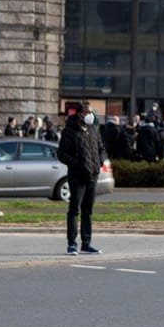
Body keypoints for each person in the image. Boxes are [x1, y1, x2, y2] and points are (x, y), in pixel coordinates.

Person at [56, 103, 104, 255]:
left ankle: (86, 242)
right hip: (77, 176)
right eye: (88, 112)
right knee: (74, 209)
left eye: (92, 112)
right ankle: (72, 243)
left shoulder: (93, 130)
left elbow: (101, 148)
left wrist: (99, 162)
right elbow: (62, 154)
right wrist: (77, 164)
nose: (91, 115)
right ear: (79, 114)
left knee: (88, 210)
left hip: (93, 175)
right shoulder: (70, 131)